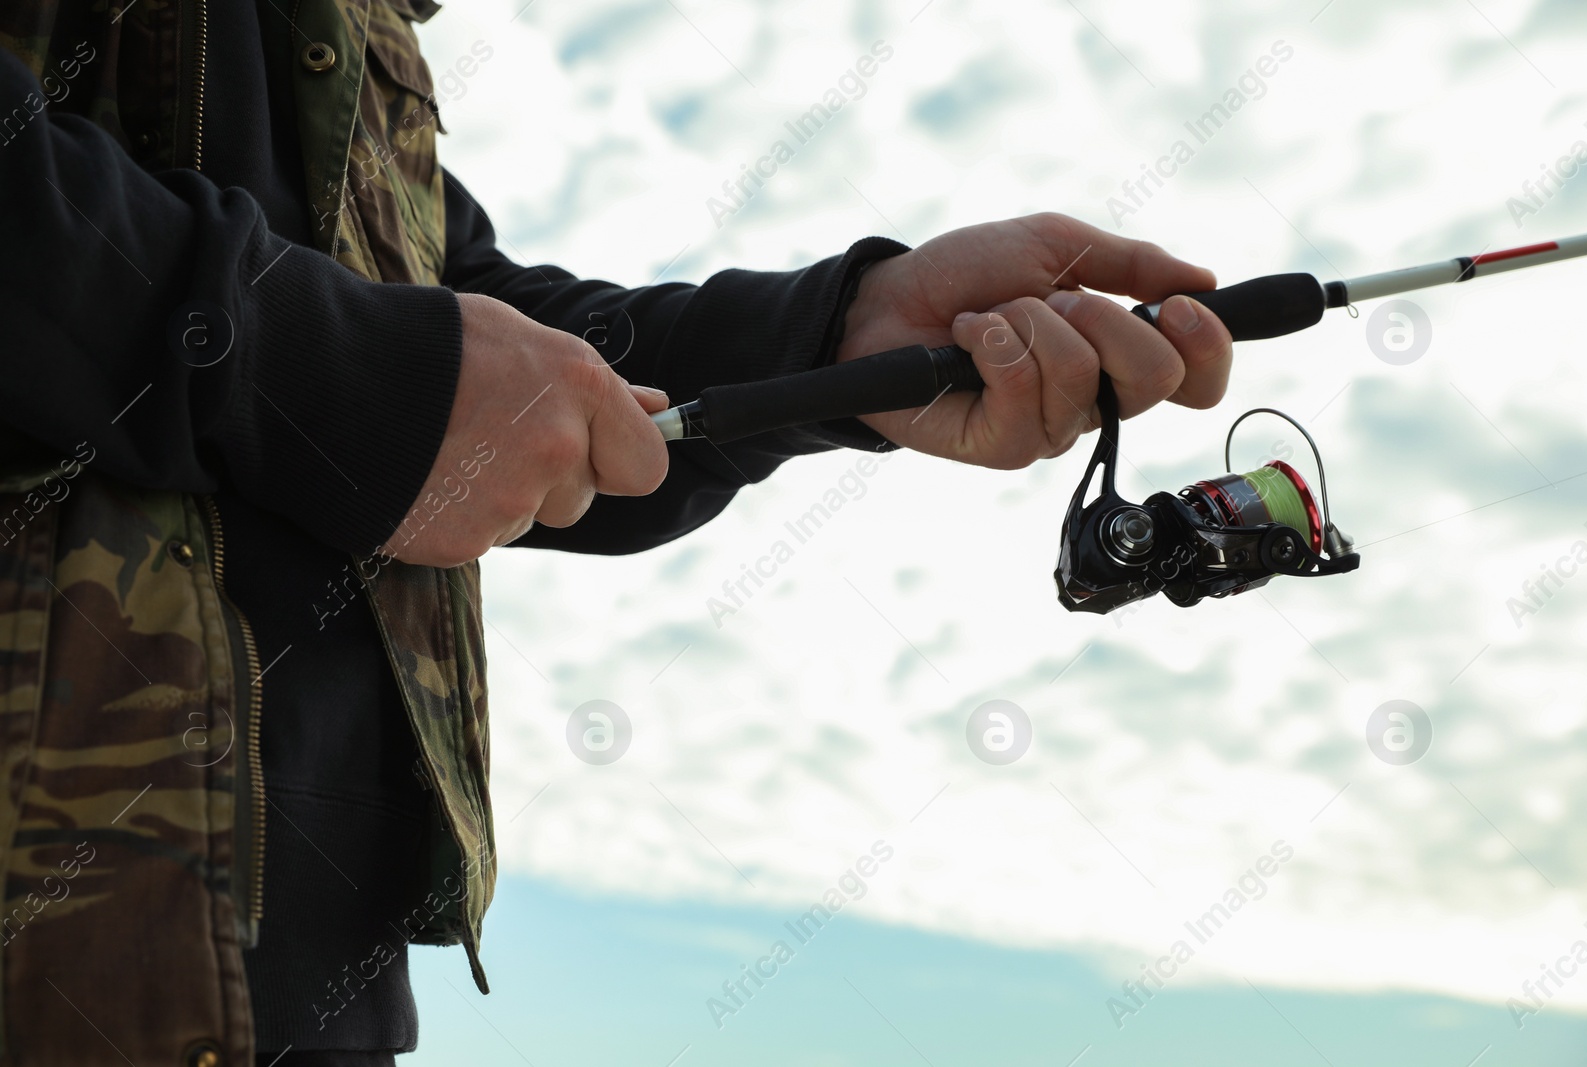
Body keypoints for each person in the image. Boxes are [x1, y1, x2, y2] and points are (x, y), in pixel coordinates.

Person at [0, 1, 1232, 1063]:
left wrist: (842, 336)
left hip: (310, 965)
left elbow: (496, 332)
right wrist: (344, 380)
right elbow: (388, 354)